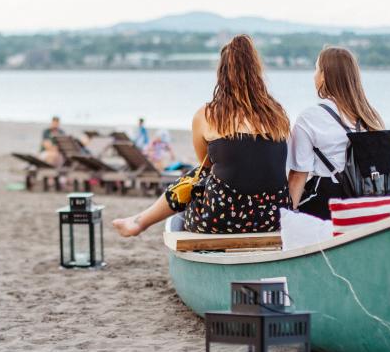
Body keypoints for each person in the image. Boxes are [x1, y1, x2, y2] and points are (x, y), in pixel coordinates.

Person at [112, 35, 291, 236]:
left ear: (222, 74)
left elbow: (206, 167)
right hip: (275, 217)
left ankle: (139, 222)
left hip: (222, 218)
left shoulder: (207, 115)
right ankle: (137, 222)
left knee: (194, 176)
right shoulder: (276, 113)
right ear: (257, 72)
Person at [287, 46, 385, 220]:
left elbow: (298, 175)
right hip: (367, 203)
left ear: (324, 76)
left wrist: (287, 217)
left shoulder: (310, 117)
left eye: (316, 69)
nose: (314, 74)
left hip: (329, 203)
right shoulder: (371, 116)